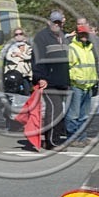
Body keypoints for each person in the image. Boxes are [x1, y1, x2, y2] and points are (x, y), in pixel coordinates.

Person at [31, 9, 70, 151]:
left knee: (59, 111)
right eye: (55, 22)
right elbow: (36, 58)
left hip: (62, 80)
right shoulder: (41, 37)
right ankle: (52, 141)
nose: (57, 25)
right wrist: (40, 77)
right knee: (55, 108)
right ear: (49, 22)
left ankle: (55, 139)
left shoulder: (64, 37)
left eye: (59, 22)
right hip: (48, 80)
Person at [66, 24, 99, 147]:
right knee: (73, 114)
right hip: (76, 85)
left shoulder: (89, 48)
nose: (85, 36)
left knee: (84, 115)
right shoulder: (72, 48)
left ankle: (82, 137)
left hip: (88, 85)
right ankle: (72, 138)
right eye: (82, 34)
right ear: (78, 34)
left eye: (86, 34)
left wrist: (95, 80)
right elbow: (68, 66)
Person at [1, 27, 33, 94]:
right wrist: (21, 57)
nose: (18, 36)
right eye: (16, 34)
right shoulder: (9, 47)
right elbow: (7, 56)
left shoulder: (28, 46)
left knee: (27, 94)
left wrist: (17, 54)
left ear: (24, 35)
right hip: (12, 73)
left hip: (25, 75)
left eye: (20, 34)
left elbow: (29, 56)